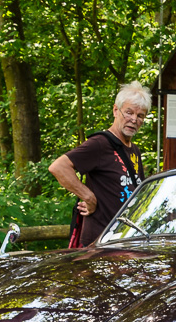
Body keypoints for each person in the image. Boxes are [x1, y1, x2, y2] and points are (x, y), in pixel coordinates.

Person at [49, 81, 151, 247]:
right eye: (129, 112)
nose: (134, 119)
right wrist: (88, 197)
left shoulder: (134, 151)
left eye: (140, 116)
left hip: (125, 240)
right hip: (100, 243)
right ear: (115, 110)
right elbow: (58, 167)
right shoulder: (100, 144)